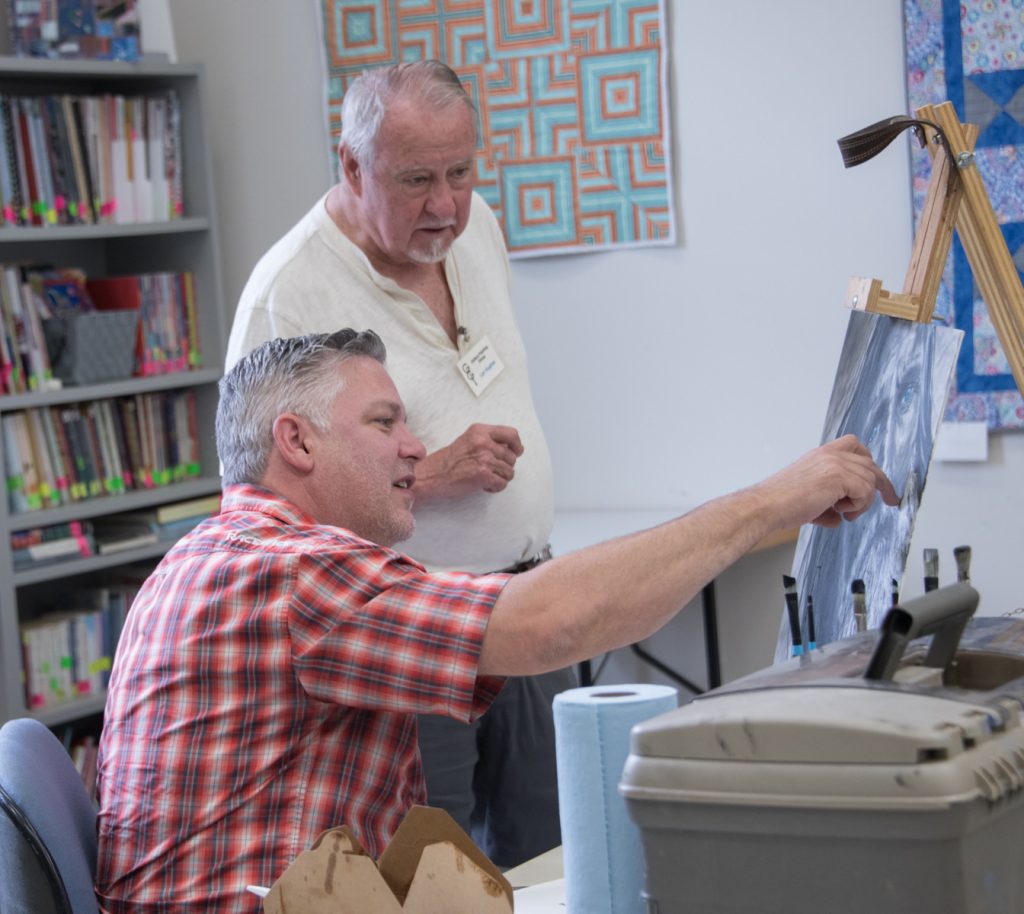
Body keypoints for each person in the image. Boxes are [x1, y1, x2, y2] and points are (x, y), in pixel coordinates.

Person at [96, 330, 898, 914]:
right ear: (296, 440)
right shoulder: (290, 571)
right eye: (384, 423)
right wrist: (778, 496)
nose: (415, 448)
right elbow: (554, 623)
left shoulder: (223, 552)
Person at [223, 59, 570, 867]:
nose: (445, 204)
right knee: (434, 874)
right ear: (351, 165)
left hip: (524, 597)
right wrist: (428, 475)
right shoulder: (288, 294)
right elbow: (254, 518)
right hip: (406, 634)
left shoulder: (472, 224)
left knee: (554, 860)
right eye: (416, 179)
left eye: (461, 171)